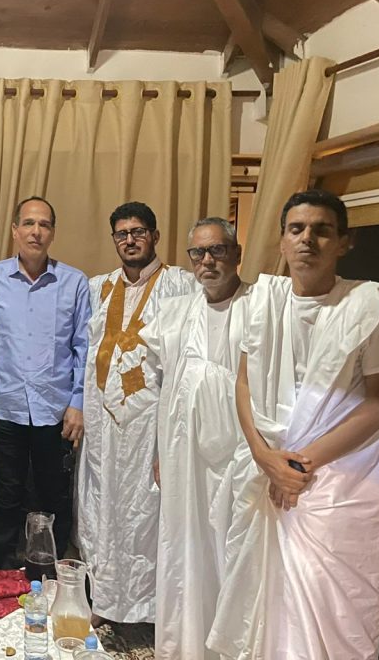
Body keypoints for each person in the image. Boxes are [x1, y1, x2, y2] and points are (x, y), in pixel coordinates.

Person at [209, 190, 379, 660]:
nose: (307, 239)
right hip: (271, 470)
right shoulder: (263, 300)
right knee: (266, 607)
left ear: (343, 242)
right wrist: (265, 458)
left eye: (322, 230)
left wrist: (299, 467)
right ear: (282, 240)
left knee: (326, 608)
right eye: (297, 229)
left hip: (337, 485)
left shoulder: (370, 305)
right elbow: (243, 384)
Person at [133, 217, 249, 659]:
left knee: (232, 549)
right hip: (183, 456)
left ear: (236, 254)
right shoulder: (176, 312)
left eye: (217, 250)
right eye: (198, 253)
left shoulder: (259, 307)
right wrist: (159, 452)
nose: (207, 261)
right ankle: (185, 646)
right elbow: (163, 389)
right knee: (185, 547)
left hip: (240, 456)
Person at [78, 201, 194, 625]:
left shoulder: (180, 284)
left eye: (138, 232)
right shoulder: (98, 287)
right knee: (101, 508)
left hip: (151, 425)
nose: (130, 240)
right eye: (122, 234)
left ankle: (151, 611)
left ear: (155, 236)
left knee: (147, 513)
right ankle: (104, 603)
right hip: (101, 424)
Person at [0, 197, 91, 569]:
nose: (35, 232)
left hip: (55, 410)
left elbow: (84, 347)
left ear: (53, 232)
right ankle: (1, 573)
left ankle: (50, 576)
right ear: (15, 230)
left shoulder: (74, 283)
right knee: (4, 495)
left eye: (44, 224)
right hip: (4, 406)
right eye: (28, 223)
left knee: (54, 497)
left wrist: (78, 402)